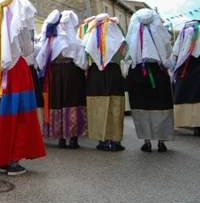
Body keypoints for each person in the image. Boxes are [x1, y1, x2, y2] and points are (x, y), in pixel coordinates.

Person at [0, 0, 46, 176]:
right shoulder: (19, 27)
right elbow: (27, 49)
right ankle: (13, 160)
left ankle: (3, 159)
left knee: (2, 114)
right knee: (20, 114)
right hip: (16, 71)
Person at [36, 10, 88, 148]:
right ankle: (72, 137)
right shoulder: (75, 41)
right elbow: (81, 61)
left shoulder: (50, 39)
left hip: (55, 73)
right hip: (71, 72)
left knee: (57, 101)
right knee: (71, 101)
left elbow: (40, 58)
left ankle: (60, 137)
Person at [125, 9, 174, 152]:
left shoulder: (132, 36)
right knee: (161, 105)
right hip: (158, 72)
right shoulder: (162, 35)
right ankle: (161, 141)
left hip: (138, 72)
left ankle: (146, 141)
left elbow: (127, 56)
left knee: (142, 105)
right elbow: (168, 55)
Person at [82, 13, 127, 151]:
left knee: (97, 105)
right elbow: (124, 53)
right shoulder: (116, 30)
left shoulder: (90, 32)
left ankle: (102, 140)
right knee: (115, 104)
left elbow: (84, 56)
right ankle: (115, 141)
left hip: (96, 73)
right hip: (113, 71)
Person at [171, 20, 200, 135]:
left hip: (187, 67)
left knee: (189, 93)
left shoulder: (184, 33)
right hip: (187, 67)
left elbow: (176, 51)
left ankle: (193, 123)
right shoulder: (185, 33)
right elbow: (176, 52)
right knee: (191, 93)